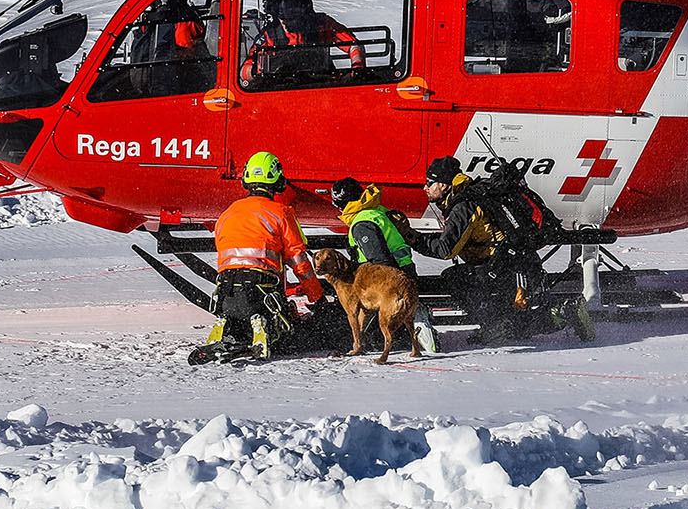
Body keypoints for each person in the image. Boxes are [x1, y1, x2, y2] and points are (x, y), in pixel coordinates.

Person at [414, 155, 590, 344]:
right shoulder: (475, 195)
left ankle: (499, 325)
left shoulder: (464, 206)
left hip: (509, 271)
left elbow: (445, 250)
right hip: (517, 266)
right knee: (516, 322)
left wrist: (410, 236)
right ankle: (564, 313)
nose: (425, 187)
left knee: (456, 277)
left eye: (429, 182)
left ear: (443, 185)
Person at [205, 151, 323, 358]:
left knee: (239, 323)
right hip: (262, 295)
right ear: (277, 180)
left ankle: (229, 325)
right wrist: (316, 296)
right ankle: (263, 325)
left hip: (226, 295)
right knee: (297, 336)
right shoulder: (281, 212)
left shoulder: (228, 213)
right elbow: (299, 260)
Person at [334, 176, 439, 354]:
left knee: (375, 339)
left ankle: (413, 328)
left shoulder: (361, 223)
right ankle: (413, 320)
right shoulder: (376, 210)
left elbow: (381, 262)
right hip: (405, 271)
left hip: (390, 279)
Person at [239, 0, 363, 89]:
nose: (286, 23)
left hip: (321, 86)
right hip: (282, 91)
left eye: (292, 19)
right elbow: (245, 71)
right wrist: (258, 70)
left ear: (304, 13)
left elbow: (353, 45)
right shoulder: (269, 35)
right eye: (282, 19)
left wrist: (357, 68)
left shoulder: (321, 25)